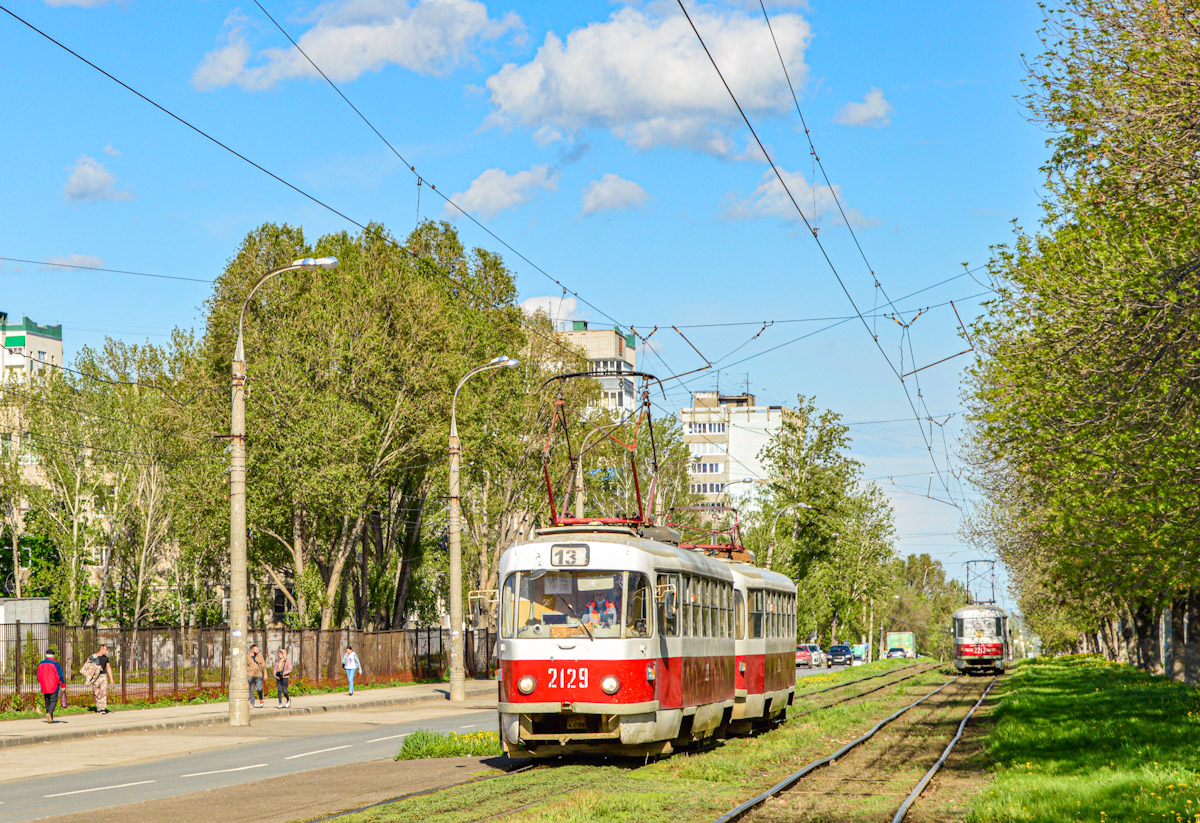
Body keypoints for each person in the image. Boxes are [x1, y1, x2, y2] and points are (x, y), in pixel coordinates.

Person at [36, 648, 66, 724]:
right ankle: (49, 713)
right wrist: (63, 685)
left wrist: (42, 682)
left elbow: (38, 676)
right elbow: (59, 676)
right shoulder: (55, 664)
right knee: (53, 700)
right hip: (53, 685)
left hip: (44, 685)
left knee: (47, 701)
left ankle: (50, 717)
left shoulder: (41, 664)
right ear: (53, 656)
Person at [85, 643, 114, 714]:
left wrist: (111, 678)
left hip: (103, 676)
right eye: (106, 649)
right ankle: (99, 707)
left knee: (103, 692)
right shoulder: (93, 657)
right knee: (97, 692)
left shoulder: (105, 658)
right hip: (95, 677)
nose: (106, 651)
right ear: (102, 649)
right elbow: (87, 666)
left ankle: (103, 708)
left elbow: (108, 668)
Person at [247, 643, 266, 709]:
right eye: (256, 649)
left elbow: (263, 665)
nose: (258, 650)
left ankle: (261, 699)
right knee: (251, 689)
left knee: (259, 688)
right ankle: (252, 703)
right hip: (250, 675)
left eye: (258, 649)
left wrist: (265, 674)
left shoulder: (260, 656)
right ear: (252, 650)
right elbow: (245, 665)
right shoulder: (248, 657)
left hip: (258, 675)